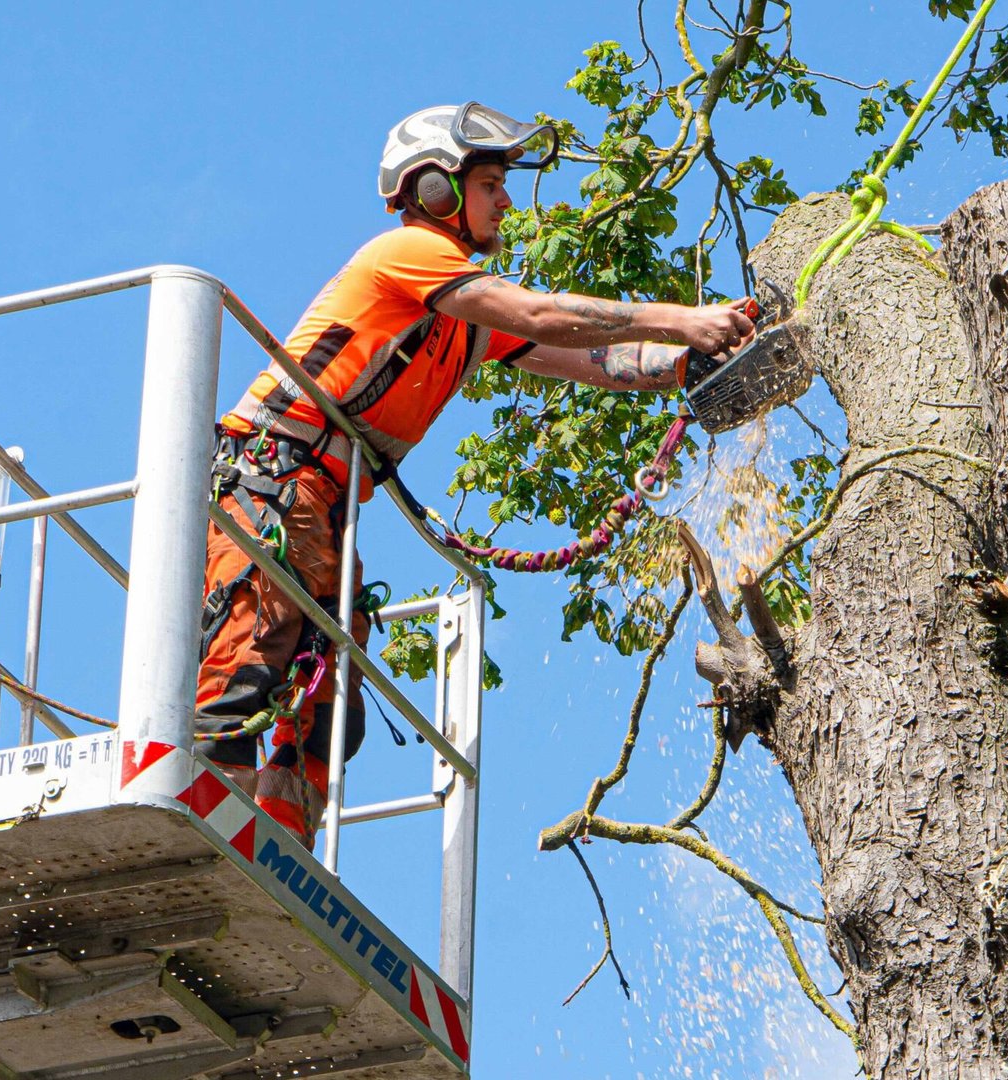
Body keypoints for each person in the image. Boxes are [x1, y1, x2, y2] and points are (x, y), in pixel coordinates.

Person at [196, 101, 755, 845]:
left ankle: (275, 847)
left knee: (328, 708)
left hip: (323, 503)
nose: (506, 201)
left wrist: (689, 360)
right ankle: (207, 829)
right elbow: (542, 315)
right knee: (247, 667)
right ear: (436, 190)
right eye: (491, 184)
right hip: (273, 481)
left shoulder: (464, 320)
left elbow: (592, 358)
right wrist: (682, 317)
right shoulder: (409, 252)